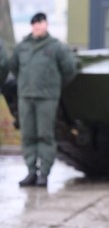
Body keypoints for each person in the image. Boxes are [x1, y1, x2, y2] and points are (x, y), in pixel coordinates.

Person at [9, 12, 77, 187]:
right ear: (32, 26)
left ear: (46, 25)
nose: (38, 27)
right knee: (28, 135)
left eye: (41, 23)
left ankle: (44, 173)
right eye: (35, 24)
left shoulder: (56, 47)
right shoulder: (22, 47)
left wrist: (54, 85)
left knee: (45, 135)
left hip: (47, 98)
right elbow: (14, 67)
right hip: (26, 96)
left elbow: (69, 69)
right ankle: (31, 171)